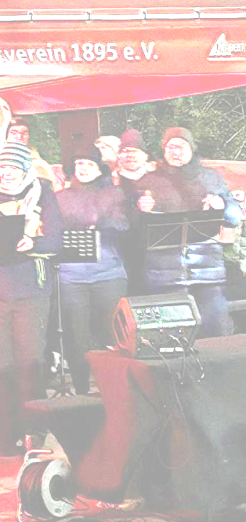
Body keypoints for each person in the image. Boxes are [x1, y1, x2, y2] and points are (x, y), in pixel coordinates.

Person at [0, 142, 63, 455]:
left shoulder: (43, 196)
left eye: (13, 168)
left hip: (31, 291)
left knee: (31, 363)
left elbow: (55, 240)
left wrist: (32, 243)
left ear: (24, 169)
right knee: (1, 365)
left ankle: (34, 429)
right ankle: (6, 435)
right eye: (2, 168)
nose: (6, 174)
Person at [135, 127, 240, 338]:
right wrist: (140, 208)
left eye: (181, 146)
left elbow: (234, 216)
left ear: (192, 148)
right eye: (170, 147)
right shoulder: (149, 180)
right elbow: (131, 226)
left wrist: (221, 204)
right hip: (165, 275)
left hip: (207, 273)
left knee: (217, 331)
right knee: (176, 337)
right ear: (163, 150)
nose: (176, 152)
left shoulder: (210, 178)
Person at [56, 147, 129, 395]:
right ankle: (81, 389)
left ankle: (114, 388)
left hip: (108, 273)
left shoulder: (113, 194)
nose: (84, 168)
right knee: (77, 335)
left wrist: (99, 222)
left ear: (99, 169)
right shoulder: (60, 197)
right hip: (71, 276)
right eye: (79, 164)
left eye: (89, 164)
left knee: (111, 331)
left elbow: (123, 225)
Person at [115, 129, 154, 296]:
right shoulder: (109, 182)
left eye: (134, 151)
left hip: (152, 250)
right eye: (125, 151)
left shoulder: (158, 180)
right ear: (118, 157)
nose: (129, 155)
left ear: (145, 156)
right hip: (119, 250)